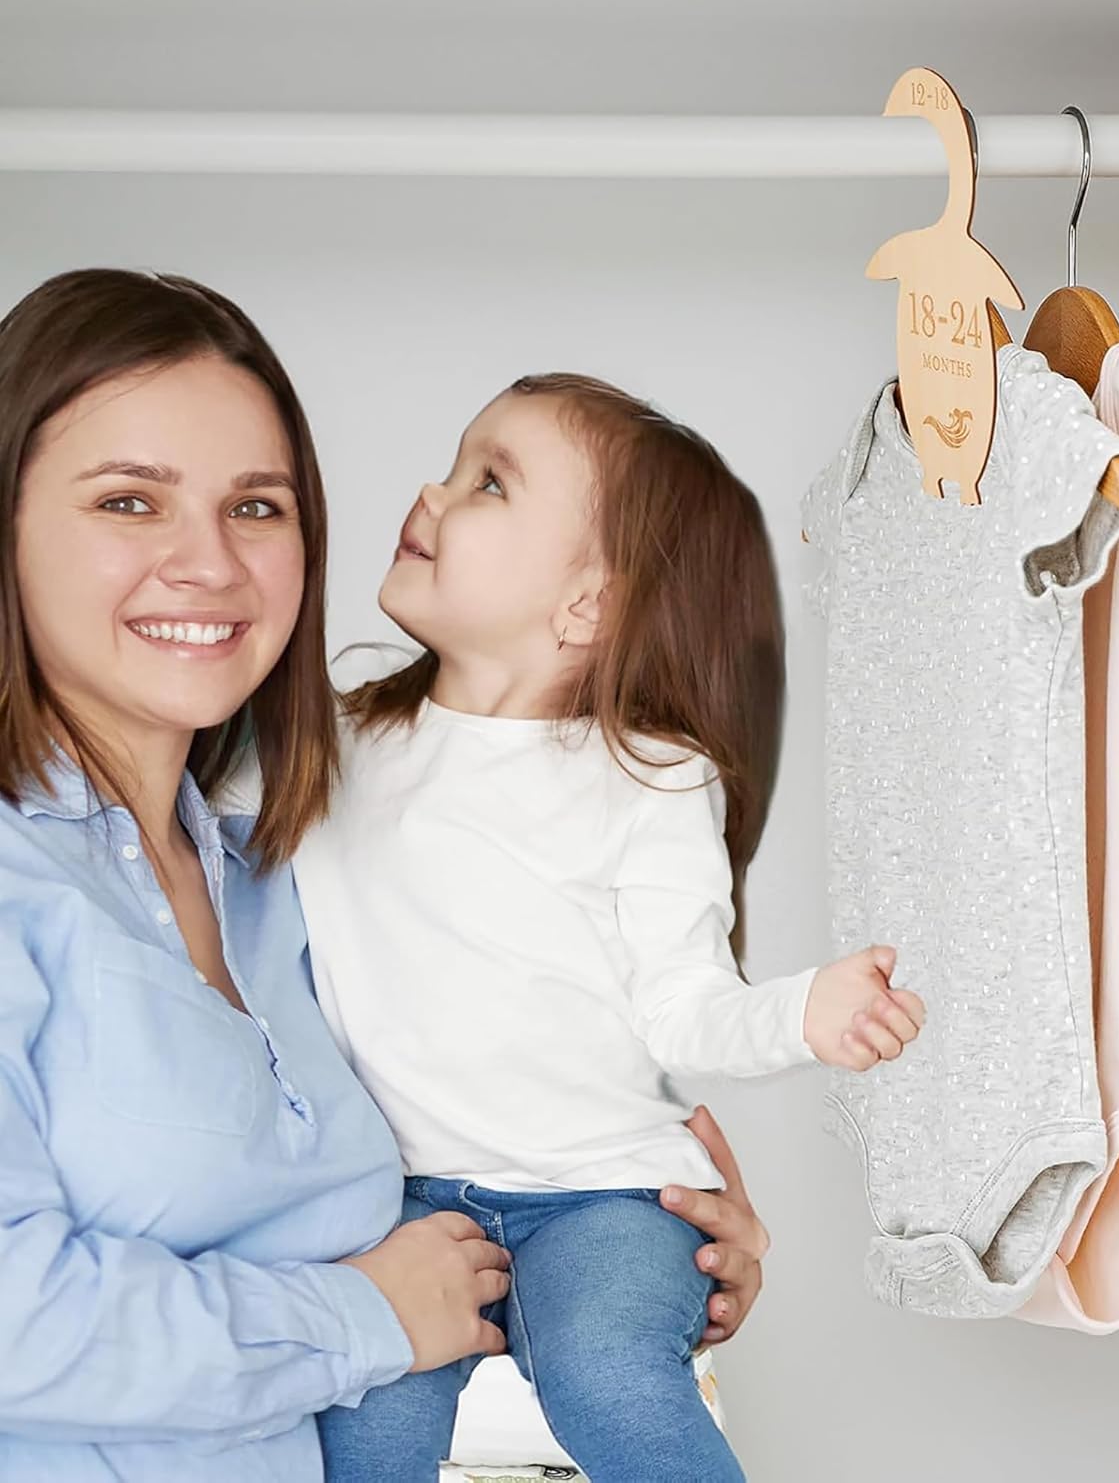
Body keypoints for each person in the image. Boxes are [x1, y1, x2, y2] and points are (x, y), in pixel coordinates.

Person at [0, 269, 777, 1483]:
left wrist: (634, 1234)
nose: (206, 563)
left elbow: (490, 1090)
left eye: (256, 508)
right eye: (129, 501)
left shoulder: (291, 879)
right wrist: (367, 1317)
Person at [297, 371, 925, 1483]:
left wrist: (805, 1012)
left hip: (606, 1196)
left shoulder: (651, 779)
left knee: (606, 1373)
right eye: (454, 463)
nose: (432, 493)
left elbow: (684, 1017)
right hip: (397, 1198)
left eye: (488, 482)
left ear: (586, 604)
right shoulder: (334, 749)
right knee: (364, 1429)